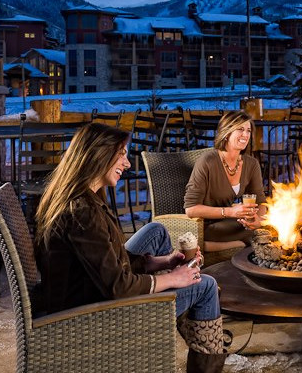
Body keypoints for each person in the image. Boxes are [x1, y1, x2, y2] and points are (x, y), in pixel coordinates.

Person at [34, 122, 227, 372]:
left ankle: (173, 317)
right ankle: (200, 353)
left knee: (157, 232)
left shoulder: (80, 197)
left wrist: (163, 262)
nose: (126, 164)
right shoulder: (82, 213)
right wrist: (171, 279)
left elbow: (109, 257)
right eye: (122, 154)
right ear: (98, 156)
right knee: (206, 286)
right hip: (88, 317)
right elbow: (119, 287)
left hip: (83, 294)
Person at [184, 110, 266, 246]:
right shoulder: (207, 161)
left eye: (248, 130)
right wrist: (230, 212)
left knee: (274, 227)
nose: (245, 135)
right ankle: (237, 245)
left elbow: (261, 201)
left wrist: (259, 220)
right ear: (227, 133)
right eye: (240, 129)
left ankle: (234, 245)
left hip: (233, 223)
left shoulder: (251, 164)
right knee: (264, 234)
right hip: (208, 225)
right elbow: (191, 209)